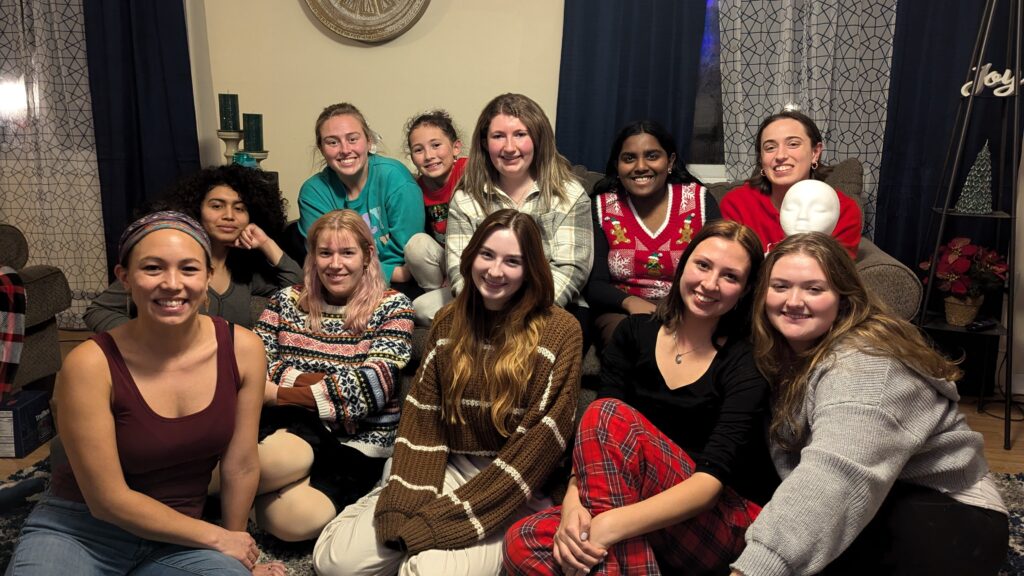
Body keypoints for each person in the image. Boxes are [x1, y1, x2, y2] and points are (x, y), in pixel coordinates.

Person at [6, 212, 284, 575]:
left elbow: (241, 463)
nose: (172, 284)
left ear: (208, 277)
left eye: (188, 269)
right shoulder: (90, 364)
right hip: (82, 532)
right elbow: (107, 500)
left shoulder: (243, 349)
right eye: (153, 268)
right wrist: (217, 539)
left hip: (180, 538)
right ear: (125, 278)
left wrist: (236, 549)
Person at [312, 209, 583, 576]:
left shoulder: (561, 331)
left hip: (517, 486)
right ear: (471, 257)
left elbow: (537, 449)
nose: (495, 271)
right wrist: (404, 500)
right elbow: (423, 420)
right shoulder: (448, 321)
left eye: (513, 261)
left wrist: (444, 520)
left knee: (425, 571)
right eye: (486, 255)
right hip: (448, 464)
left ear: (531, 268)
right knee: (335, 564)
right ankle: (383, 491)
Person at [505, 219, 778, 576]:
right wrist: (573, 506)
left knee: (608, 416)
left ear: (745, 290)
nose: (710, 284)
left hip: (719, 519)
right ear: (684, 265)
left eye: (730, 276)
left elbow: (709, 486)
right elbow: (592, 445)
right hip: (633, 509)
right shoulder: (633, 334)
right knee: (522, 540)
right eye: (703, 265)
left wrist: (605, 528)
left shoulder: (746, 360)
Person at [729, 232, 1008, 576]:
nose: (794, 301)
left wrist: (754, 568)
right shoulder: (783, 346)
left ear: (843, 298)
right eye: (781, 286)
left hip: (948, 512)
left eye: (814, 289)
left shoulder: (866, 365)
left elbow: (834, 476)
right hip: (886, 492)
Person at [254, 209, 414, 543]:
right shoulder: (286, 301)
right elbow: (253, 362)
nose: (335, 264)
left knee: (295, 521)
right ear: (312, 257)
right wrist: (329, 385)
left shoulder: (393, 307)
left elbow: (372, 386)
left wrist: (278, 389)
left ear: (368, 255)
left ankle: (245, 494)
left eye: (347, 253)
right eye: (325, 253)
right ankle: (240, 489)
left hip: (359, 441)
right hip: (292, 426)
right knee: (279, 460)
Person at [414, 93, 593, 327]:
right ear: (485, 143)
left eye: (520, 134)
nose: (509, 147)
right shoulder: (466, 197)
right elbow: (459, 268)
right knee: (422, 308)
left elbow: (571, 270)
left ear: (538, 138)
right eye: (498, 136)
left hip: (548, 304)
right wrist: (486, 311)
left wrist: (519, 316)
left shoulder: (569, 194)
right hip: (482, 303)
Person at [84, 164, 302, 331]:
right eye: (216, 206)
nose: (228, 215)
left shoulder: (245, 273)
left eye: (239, 208)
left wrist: (266, 243)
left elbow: (300, 291)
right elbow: (98, 310)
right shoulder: (168, 260)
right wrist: (141, 342)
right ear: (197, 209)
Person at [587, 119, 722, 350]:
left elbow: (719, 267)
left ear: (669, 161)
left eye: (652, 156)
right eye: (629, 158)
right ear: (617, 166)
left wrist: (680, 308)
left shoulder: (698, 200)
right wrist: (631, 303)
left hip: (688, 306)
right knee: (637, 342)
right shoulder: (601, 206)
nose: (640, 166)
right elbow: (593, 283)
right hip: (623, 310)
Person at [298, 102, 425, 290]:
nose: (345, 149)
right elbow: (324, 258)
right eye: (332, 142)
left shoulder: (395, 178)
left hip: (398, 289)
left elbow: (408, 252)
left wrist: (394, 274)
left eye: (352, 139)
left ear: (368, 140)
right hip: (339, 287)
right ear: (321, 148)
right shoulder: (313, 193)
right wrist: (395, 272)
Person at [719, 109, 861, 259]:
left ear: (815, 153)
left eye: (793, 144)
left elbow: (836, 273)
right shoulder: (737, 204)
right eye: (770, 148)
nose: (780, 156)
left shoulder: (844, 209)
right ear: (761, 159)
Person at [401, 109, 467, 323]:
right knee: (416, 245)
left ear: (456, 147)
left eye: (436, 145)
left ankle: (471, 314)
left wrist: (457, 272)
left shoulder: (471, 172)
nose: (429, 156)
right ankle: (450, 307)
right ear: (411, 156)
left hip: (475, 265)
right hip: (444, 267)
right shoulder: (415, 189)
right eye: (418, 150)